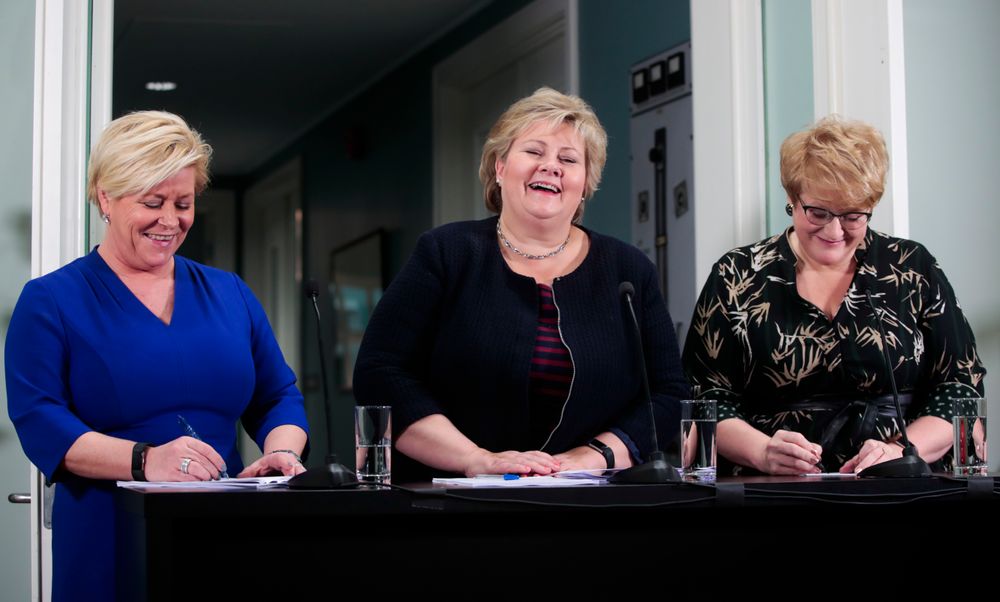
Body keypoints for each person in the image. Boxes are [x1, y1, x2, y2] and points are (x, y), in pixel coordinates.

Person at [5, 111, 309, 600]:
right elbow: (40, 420)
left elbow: (278, 395)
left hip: (221, 538)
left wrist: (282, 450)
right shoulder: (51, 301)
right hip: (107, 538)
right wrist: (145, 460)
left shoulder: (229, 293)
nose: (170, 221)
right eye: (152, 202)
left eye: (183, 203)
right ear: (106, 197)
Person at [353, 87, 689, 481]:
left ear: (585, 183)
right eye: (533, 152)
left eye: (568, 159)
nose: (551, 167)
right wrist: (474, 458)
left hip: (590, 501)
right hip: (453, 500)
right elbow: (379, 373)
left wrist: (594, 455)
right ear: (499, 167)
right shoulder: (446, 252)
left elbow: (669, 394)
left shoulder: (629, 269)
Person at [682, 116, 985, 476]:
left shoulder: (912, 268)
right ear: (793, 199)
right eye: (818, 212)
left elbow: (960, 389)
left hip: (901, 484)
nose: (835, 230)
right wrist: (762, 451)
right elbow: (707, 398)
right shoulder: (736, 275)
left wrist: (903, 450)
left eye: (853, 215)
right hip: (774, 489)